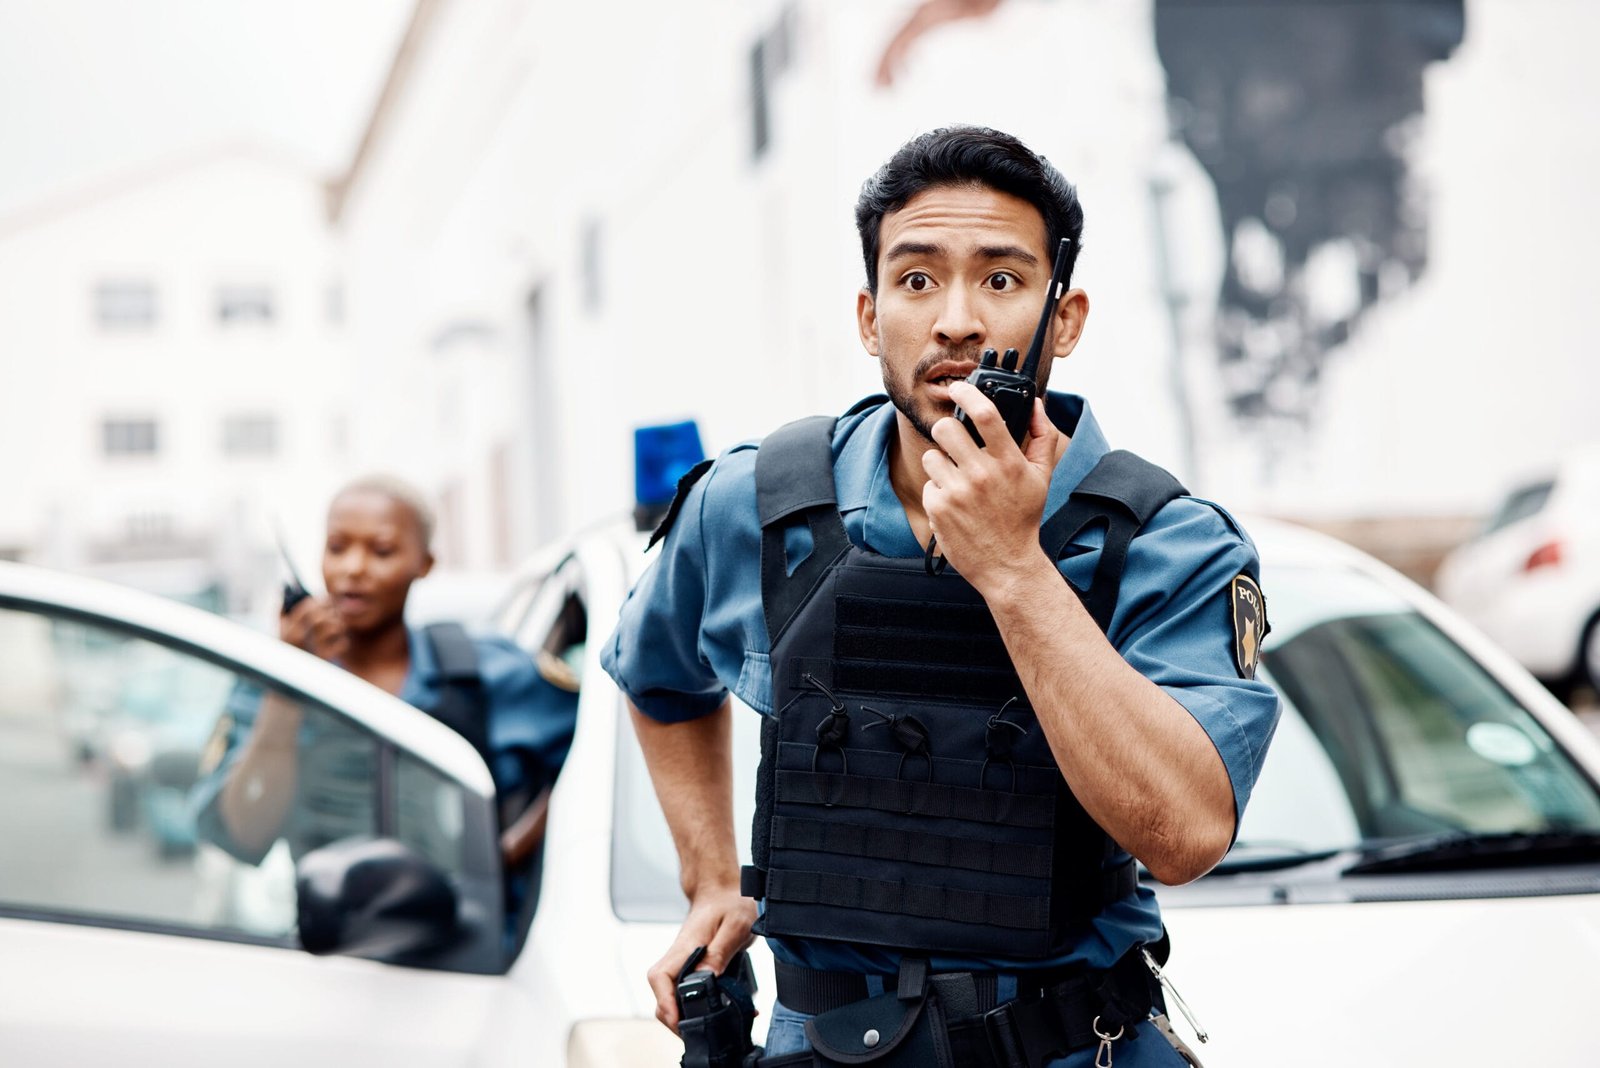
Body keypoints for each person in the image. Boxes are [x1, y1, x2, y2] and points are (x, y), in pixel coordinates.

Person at [601, 127, 1279, 1066]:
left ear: (1066, 318)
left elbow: (1187, 834)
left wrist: (1014, 569)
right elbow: (657, 675)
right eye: (917, 280)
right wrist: (711, 880)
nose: (956, 320)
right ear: (871, 318)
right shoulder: (756, 505)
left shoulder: (1164, 542)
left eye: (1000, 280)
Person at [192, 475, 578, 932]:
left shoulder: (488, 671)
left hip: (478, 955)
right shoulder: (271, 678)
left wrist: (510, 852)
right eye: (337, 547)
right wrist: (288, 686)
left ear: (425, 563)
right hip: (332, 952)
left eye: (382, 550)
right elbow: (241, 835)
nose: (353, 567)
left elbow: (600, 758)